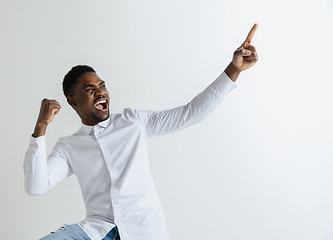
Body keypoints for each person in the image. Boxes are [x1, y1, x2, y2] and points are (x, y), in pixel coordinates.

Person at [23, 24, 259, 240]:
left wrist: (234, 69)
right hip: (96, 231)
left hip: (143, 231)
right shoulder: (68, 147)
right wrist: (40, 129)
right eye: (90, 89)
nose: (100, 92)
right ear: (72, 101)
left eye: (102, 85)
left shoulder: (132, 122)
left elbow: (192, 113)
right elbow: (36, 186)